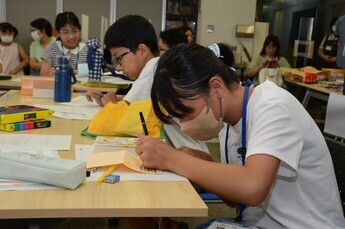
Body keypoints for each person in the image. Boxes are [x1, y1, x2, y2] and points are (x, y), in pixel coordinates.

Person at [136, 43, 345, 228]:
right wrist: (205, 164)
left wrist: (172, 158)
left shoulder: (272, 106)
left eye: (186, 112)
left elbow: (251, 189)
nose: (184, 125)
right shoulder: (227, 122)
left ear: (216, 87)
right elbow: (234, 200)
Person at [40, 11, 88, 76]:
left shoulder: (88, 50)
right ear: (58, 33)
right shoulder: (51, 49)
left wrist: (83, 74)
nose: (71, 36)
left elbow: (96, 76)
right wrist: (50, 74)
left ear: (79, 30)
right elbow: (42, 76)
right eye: (65, 32)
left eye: (74, 31)